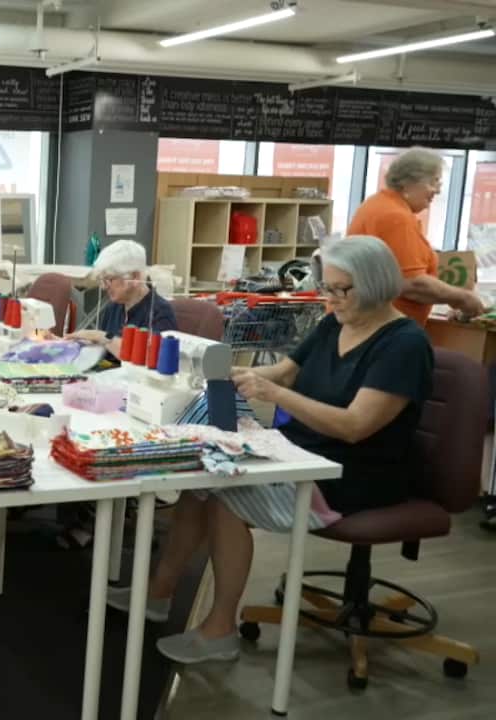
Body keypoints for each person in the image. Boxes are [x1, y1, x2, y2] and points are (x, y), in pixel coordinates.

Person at [107, 236, 433, 664]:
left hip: (353, 473)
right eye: (327, 289)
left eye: (340, 290)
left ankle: (220, 629)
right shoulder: (335, 323)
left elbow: (355, 426)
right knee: (200, 477)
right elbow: (283, 371)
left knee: (226, 494)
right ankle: (158, 593)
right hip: (302, 450)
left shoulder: (403, 346)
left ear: (374, 284)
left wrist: (273, 393)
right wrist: (231, 373)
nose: (330, 300)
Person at [347, 146, 486, 326]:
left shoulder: (380, 205)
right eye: (433, 182)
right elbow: (412, 284)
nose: (437, 191)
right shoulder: (395, 217)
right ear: (408, 182)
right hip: (380, 330)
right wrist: (462, 298)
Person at [69, 239, 177, 362]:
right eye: (102, 280)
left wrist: (99, 336)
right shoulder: (114, 307)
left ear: (135, 277)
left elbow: (149, 358)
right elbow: (104, 344)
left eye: (109, 279)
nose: (104, 287)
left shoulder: (160, 312)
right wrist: (66, 343)